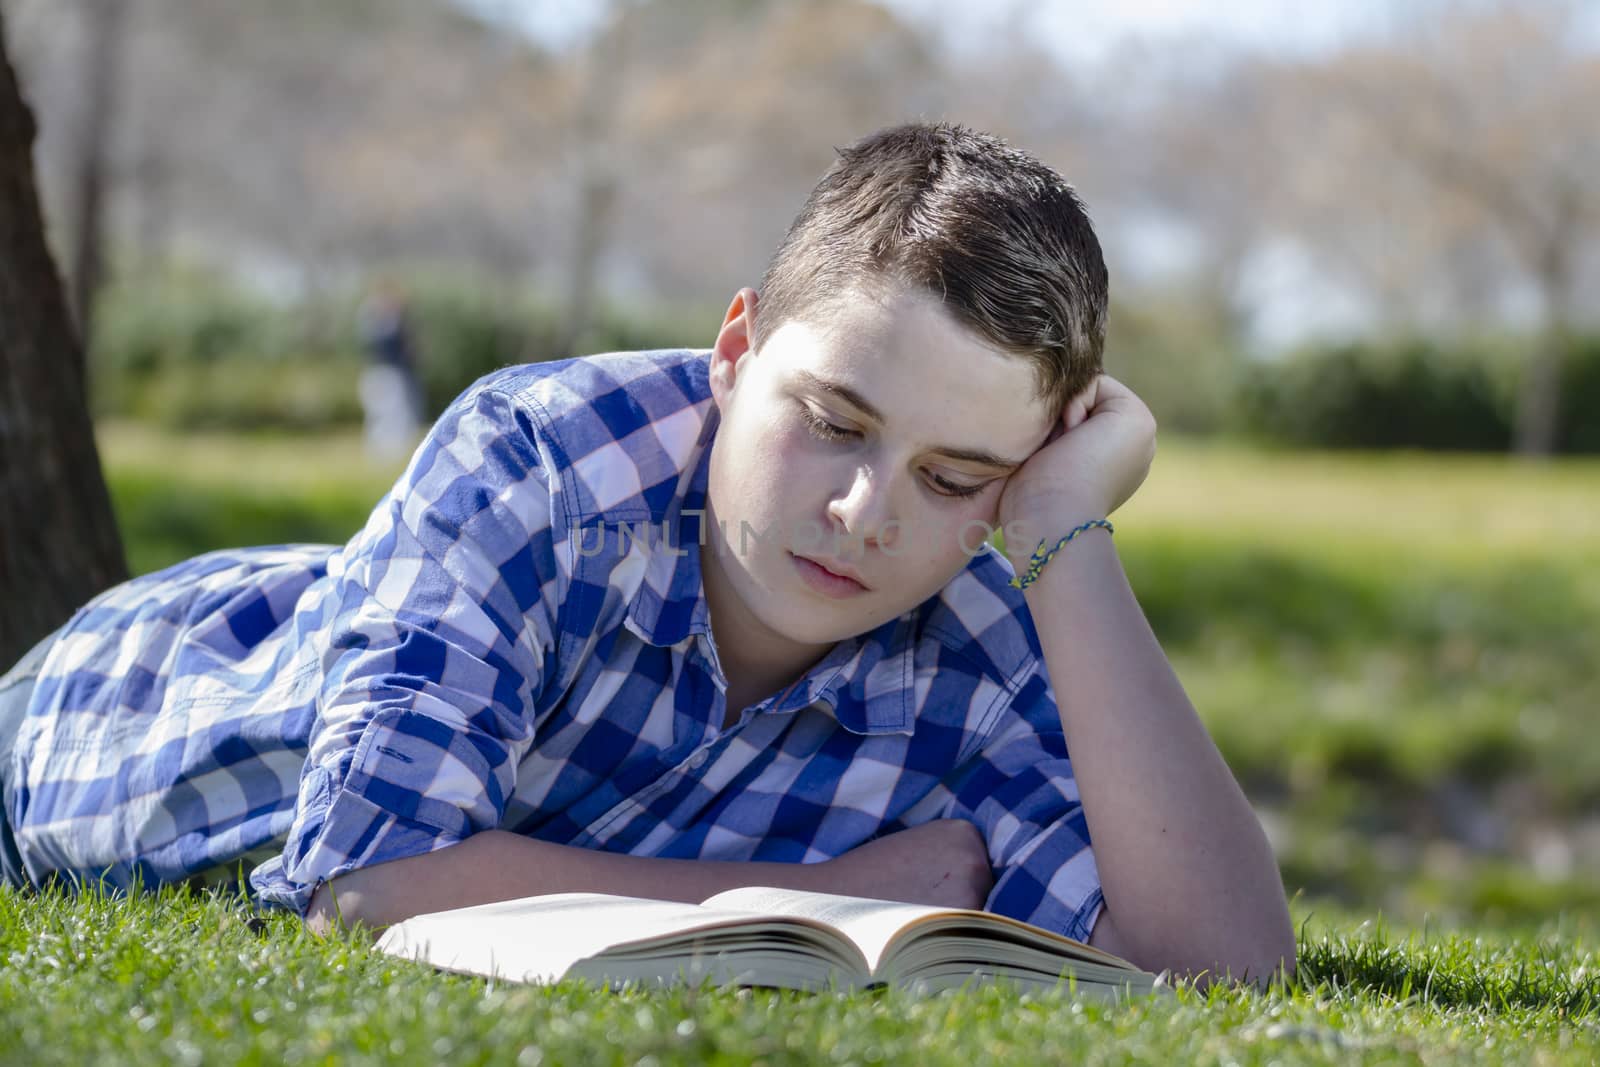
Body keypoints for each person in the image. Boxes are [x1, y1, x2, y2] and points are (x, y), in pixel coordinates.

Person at [0, 123, 1294, 985]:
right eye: (835, 422)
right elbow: (362, 881)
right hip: (94, 739)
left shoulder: (974, 630)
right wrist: (815, 892)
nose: (865, 511)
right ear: (734, 353)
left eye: (956, 475)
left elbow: (1225, 967)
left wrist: (1068, 535)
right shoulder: (543, 462)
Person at [356, 280, 424, 459]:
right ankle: (383, 454)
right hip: (385, 374)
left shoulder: (389, 323)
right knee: (385, 415)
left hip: (392, 373)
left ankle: (393, 453)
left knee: (398, 416)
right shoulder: (379, 324)